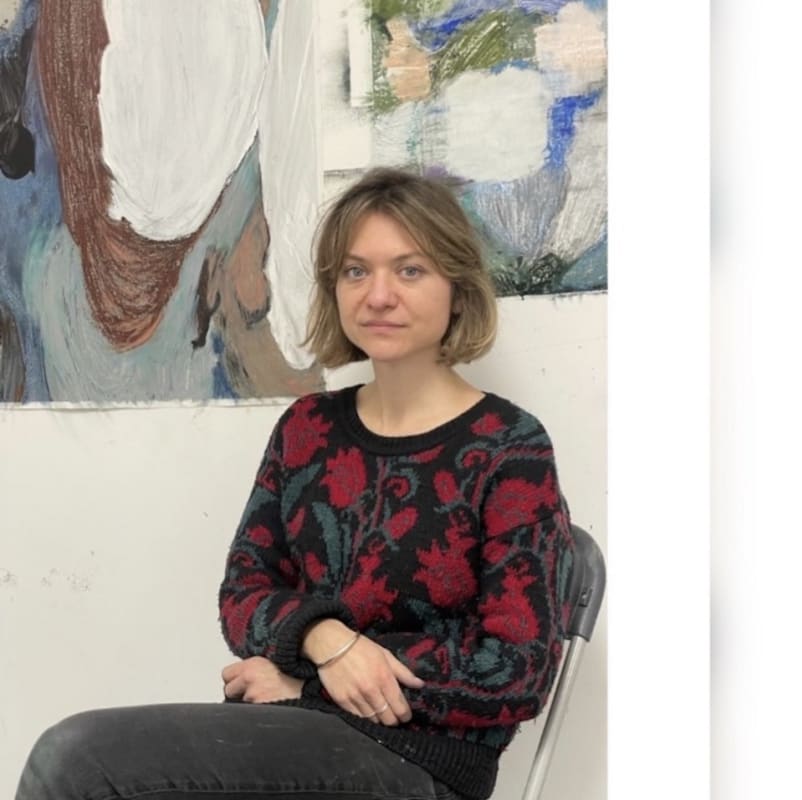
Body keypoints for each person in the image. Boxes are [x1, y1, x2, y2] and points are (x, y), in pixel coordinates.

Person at [15, 168, 575, 800]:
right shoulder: (309, 428)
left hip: (425, 763)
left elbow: (517, 670)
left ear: (457, 288)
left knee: (77, 763)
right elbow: (244, 592)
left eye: (410, 270)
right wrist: (327, 642)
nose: (379, 295)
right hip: (295, 731)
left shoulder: (508, 446)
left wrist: (309, 684)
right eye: (356, 271)